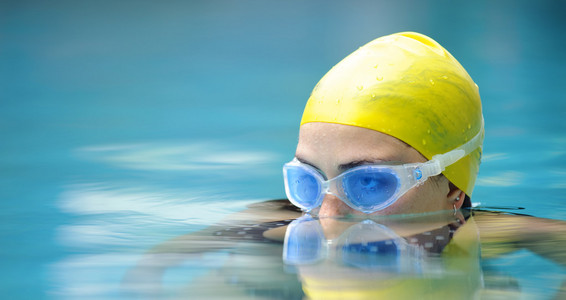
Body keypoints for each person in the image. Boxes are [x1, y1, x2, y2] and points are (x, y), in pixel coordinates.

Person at [283, 31, 483, 217]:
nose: (326, 215)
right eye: (308, 182)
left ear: (453, 190)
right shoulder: (266, 231)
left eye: (368, 182)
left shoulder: (506, 242)